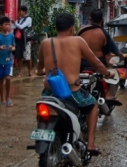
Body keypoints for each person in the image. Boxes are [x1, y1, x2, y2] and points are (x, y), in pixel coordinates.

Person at [36, 13, 113, 154]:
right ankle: (90, 143)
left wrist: (42, 72)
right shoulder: (78, 41)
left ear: (56, 28)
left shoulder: (46, 43)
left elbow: (39, 68)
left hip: (49, 92)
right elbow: (95, 63)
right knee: (93, 105)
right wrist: (108, 73)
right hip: (72, 92)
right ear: (71, 29)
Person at [78, 9, 123, 99]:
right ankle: (108, 95)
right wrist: (111, 67)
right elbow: (107, 56)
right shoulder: (104, 33)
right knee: (115, 73)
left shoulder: (81, 31)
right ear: (102, 19)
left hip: (81, 64)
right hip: (97, 64)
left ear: (90, 18)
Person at [0, 17, 16, 106]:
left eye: (8, 24)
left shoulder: (11, 36)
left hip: (9, 61)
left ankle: (8, 97)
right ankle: (2, 99)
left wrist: (12, 48)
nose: (7, 26)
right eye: (5, 24)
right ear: (1, 26)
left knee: (8, 78)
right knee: (0, 80)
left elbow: (14, 47)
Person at [13, 5, 33, 77]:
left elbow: (21, 27)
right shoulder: (18, 20)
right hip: (19, 40)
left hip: (26, 40)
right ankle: (20, 72)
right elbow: (13, 27)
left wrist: (15, 23)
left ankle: (30, 71)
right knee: (19, 56)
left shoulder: (28, 19)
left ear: (24, 11)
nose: (19, 12)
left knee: (27, 56)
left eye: (20, 11)